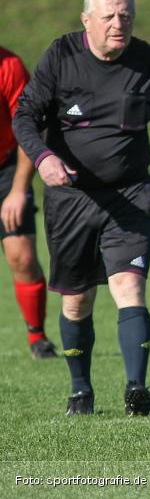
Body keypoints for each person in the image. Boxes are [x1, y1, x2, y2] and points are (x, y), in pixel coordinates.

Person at [13, 0, 150, 416]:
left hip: (129, 196)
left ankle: (136, 389)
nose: (118, 24)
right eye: (108, 16)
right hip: (71, 199)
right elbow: (25, 116)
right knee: (77, 300)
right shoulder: (61, 56)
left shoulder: (144, 61)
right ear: (86, 20)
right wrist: (44, 157)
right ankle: (80, 391)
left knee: (129, 285)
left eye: (125, 16)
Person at [0, 45, 56, 359]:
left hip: (7, 169)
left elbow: (28, 126)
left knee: (21, 255)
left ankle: (38, 337)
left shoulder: (8, 66)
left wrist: (18, 190)